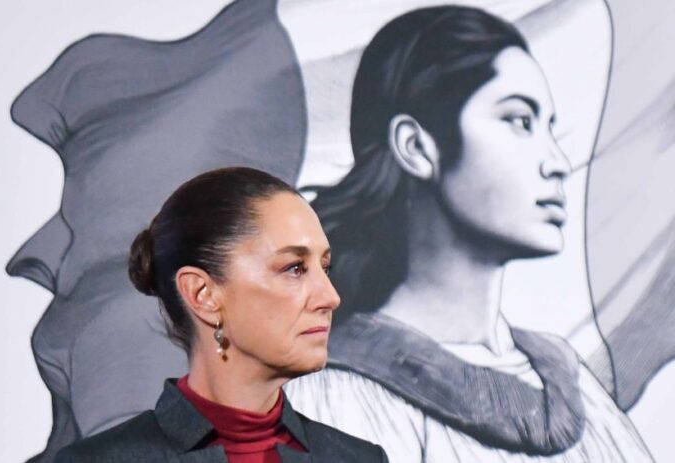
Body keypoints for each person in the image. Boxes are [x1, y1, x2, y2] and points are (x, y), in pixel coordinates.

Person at [285, 6, 654, 462]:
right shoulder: (335, 397)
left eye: (548, 128)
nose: (557, 161)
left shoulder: (571, 383)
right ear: (417, 148)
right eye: (520, 121)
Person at [54, 167, 389, 462]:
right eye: (294, 268)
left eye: (325, 268)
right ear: (203, 295)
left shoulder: (359, 459)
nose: (330, 298)